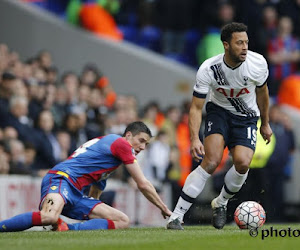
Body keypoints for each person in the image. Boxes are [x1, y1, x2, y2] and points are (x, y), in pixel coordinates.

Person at [166, 22, 273, 230]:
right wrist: (195, 138)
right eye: (239, 42)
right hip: (219, 113)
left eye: (247, 42)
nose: (245, 47)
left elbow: (263, 94)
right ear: (226, 45)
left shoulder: (257, 63)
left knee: (242, 163)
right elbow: (196, 107)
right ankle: (176, 216)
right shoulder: (209, 68)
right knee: (212, 160)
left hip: (247, 117)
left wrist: (265, 124)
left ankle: (221, 202)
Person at [0, 121, 171, 232]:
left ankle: (67, 229)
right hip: (61, 179)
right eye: (141, 140)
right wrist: (163, 207)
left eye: (146, 144)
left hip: (75, 193)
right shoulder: (120, 144)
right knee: (49, 216)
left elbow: (95, 194)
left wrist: (93, 208)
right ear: (128, 136)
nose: (142, 147)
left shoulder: (109, 158)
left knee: (122, 220)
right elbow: (142, 183)